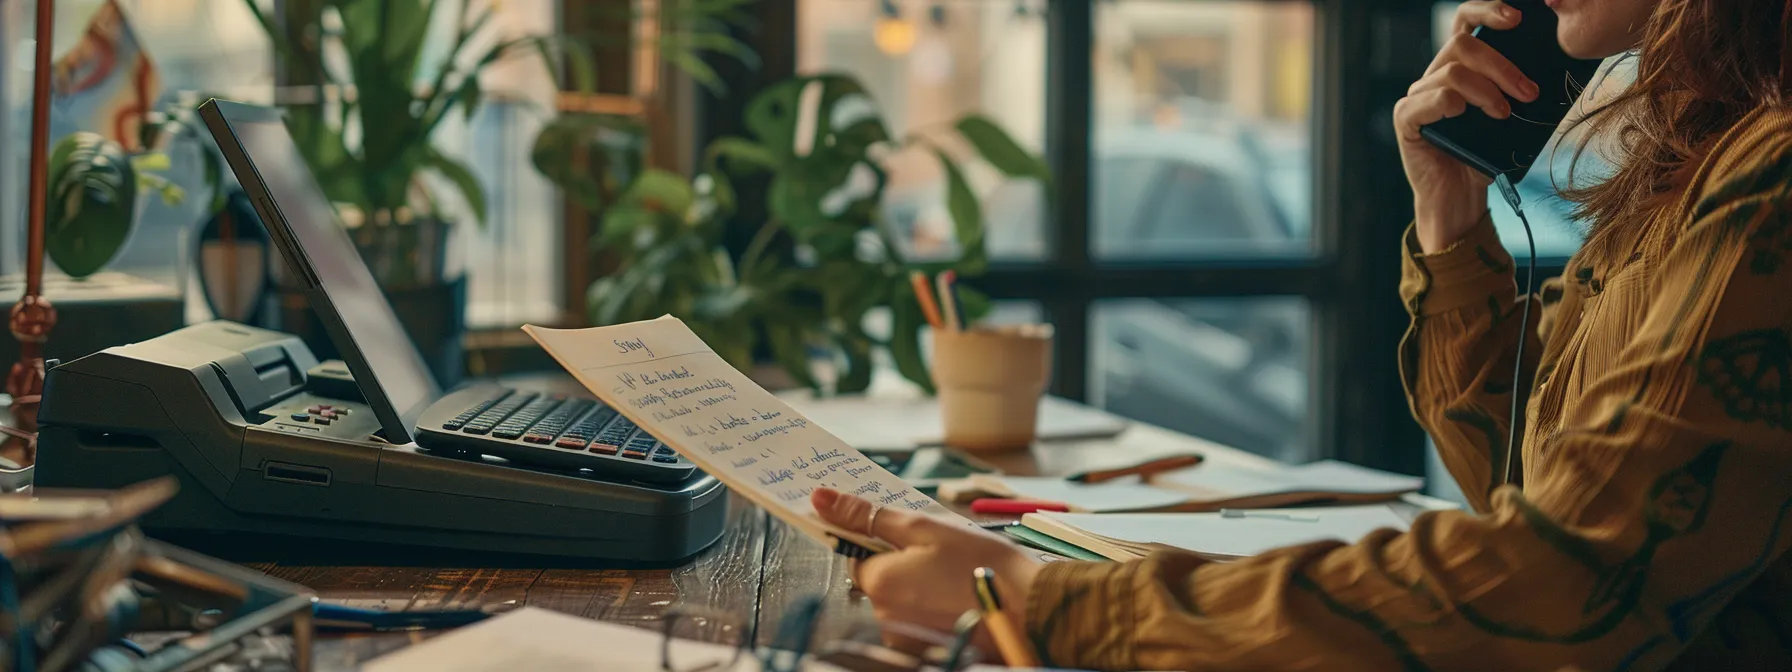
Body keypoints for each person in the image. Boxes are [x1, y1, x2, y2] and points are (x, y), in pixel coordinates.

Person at [809, 0, 1792, 669]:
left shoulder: (1771, 175)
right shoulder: (1693, 159)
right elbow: (1537, 494)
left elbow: (1561, 583)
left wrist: (1049, 604)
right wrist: (1449, 215)